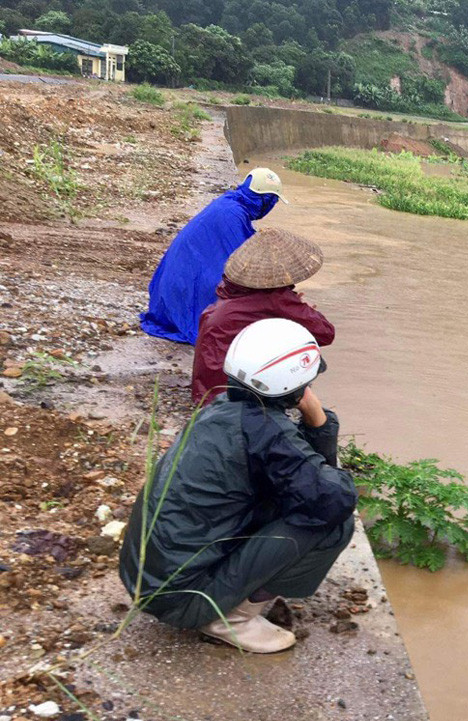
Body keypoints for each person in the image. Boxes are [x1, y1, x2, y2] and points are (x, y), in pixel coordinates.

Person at [118, 318, 356, 653]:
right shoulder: (265, 430)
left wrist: (317, 425)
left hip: (149, 581)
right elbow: (333, 500)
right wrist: (319, 420)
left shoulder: (222, 409)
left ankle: (227, 598)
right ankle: (231, 618)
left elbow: (300, 475)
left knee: (297, 497)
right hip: (181, 598)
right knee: (335, 523)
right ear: (296, 385)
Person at [140, 168, 287, 345]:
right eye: (274, 202)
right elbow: (241, 265)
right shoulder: (233, 215)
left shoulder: (228, 203)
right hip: (180, 295)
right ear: (266, 200)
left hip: (169, 292)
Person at [191, 229, 334, 406]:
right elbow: (326, 333)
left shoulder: (230, 290)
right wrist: (302, 308)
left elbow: (255, 311)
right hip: (230, 396)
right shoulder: (276, 297)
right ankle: (303, 405)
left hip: (205, 389)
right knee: (312, 356)